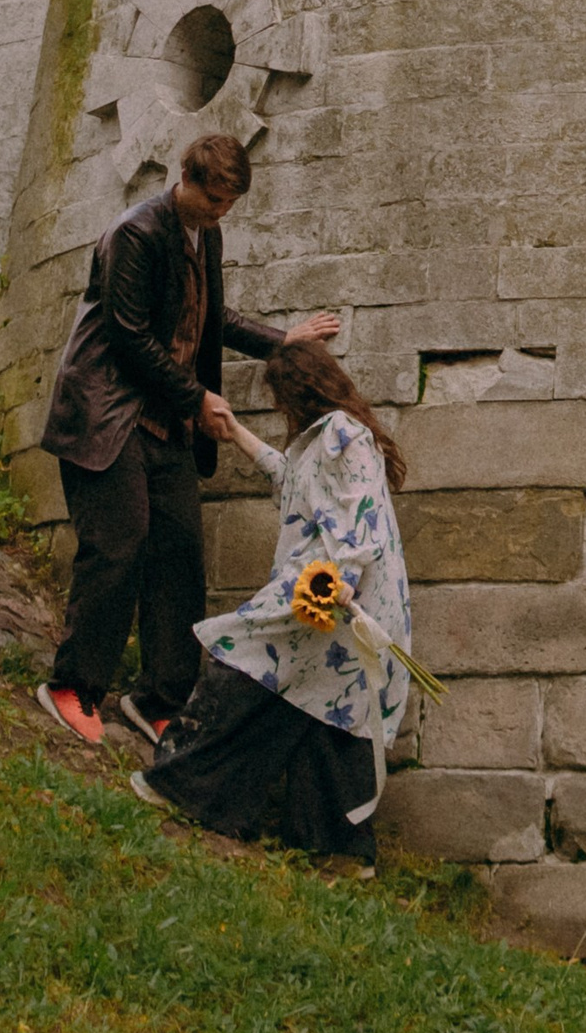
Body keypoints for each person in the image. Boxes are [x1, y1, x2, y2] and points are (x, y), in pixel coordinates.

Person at [34, 132, 337, 750]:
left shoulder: (208, 234)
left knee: (179, 555)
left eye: (231, 203)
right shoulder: (137, 233)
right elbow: (127, 335)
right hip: (107, 413)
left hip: (164, 420)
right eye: (215, 199)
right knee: (118, 545)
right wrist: (196, 398)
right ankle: (74, 685)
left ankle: (158, 698)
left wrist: (283, 340)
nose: (222, 211)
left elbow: (209, 318)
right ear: (188, 180)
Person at [131, 335, 415, 864]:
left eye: (282, 394)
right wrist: (236, 432)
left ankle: (186, 789)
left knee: (244, 667)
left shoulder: (342, 434)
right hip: (334, 593)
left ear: (298, 389)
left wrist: (342, 581)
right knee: (323, 713)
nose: (280, 406)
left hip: (335, 595)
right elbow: (289, 480)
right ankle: (336, 853)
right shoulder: (317, 442)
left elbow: (362, 512)